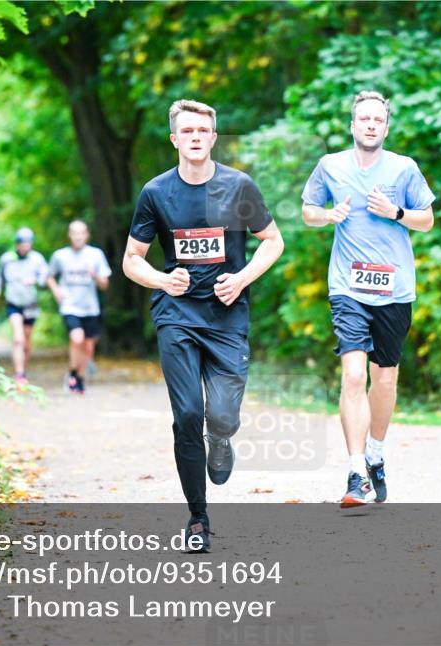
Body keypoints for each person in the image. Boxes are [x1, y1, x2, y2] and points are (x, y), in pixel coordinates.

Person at [123, 99, 284, 552]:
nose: (195, 137)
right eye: (187, 131)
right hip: (177, 316)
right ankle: (198, 519)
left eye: (203, 131)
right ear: (174, 139)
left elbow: (273, 242)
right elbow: (131, 260)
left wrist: (242, 278)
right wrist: (161, 279)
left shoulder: (239, 187)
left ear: (213, 138)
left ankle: (223, 437)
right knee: (188, 414)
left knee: (223, 416)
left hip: (227, 315)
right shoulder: (156, 193)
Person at [301, 90, 435, 508]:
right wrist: (327, 216)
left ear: (386, 127)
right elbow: (307, 210)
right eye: (364, 119)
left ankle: (376, 453)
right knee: (354, 376)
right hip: (348, 288)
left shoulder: (404, 168)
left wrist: (395, 212)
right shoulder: (331, 166)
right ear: (353, 125)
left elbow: (427, 221)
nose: (371, 125)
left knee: (385, 379)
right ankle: (356, 470)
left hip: (394, 289)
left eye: (378, 119)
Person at [47, 219, 112, 394]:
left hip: (90, 307)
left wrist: (95, 275)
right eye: (74, 233)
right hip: (70, 306)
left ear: (87, 235)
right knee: (77, 339)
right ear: (69, 235)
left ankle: (77, 377)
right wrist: (56, 290)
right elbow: (49, 276)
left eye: (81, 233)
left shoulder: (96, 254)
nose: (78, 236)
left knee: (88, 347)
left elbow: (105, 285)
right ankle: (75, 375)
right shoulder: (60, 256)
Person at [0, 228, 48, 385]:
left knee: (27, 343)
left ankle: (24, 369)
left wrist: (35, 279)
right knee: (18, 339)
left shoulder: (37, 259)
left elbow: (45, 278)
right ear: (17, 244)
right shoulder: (7, 259)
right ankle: (20, 374)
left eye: (28, 243)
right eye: (22, 243)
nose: (25, 246)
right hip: (13, 303)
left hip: (31, 304)